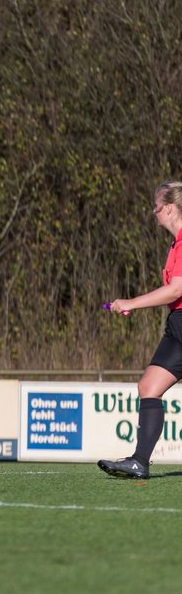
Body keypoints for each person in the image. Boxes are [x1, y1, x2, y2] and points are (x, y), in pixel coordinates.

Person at [98, 180, 182, 479]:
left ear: (169, 208)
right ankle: (139, 461)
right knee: (149, 386)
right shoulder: (174, 245)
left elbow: (175, 290)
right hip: (177, 325)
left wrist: (132, 302)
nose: (153, 211)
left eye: (156, 207)